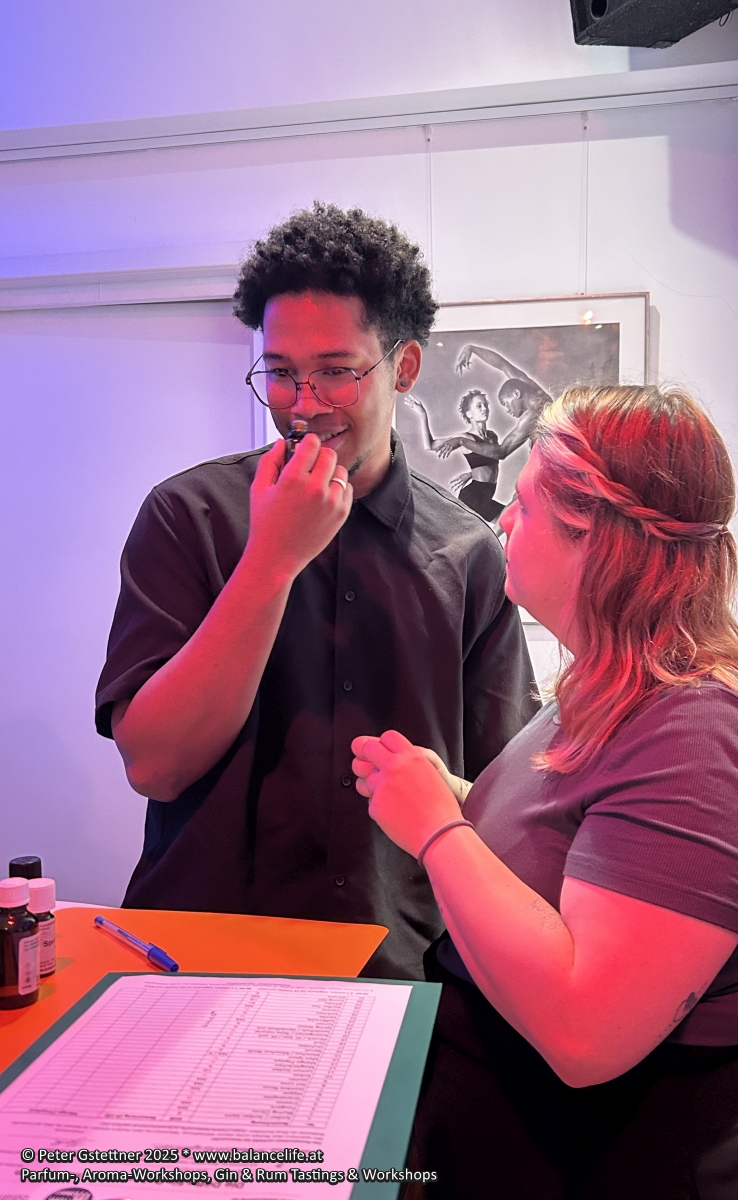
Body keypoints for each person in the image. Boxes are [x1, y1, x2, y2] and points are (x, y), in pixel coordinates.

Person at [352, 384, 738, 1197]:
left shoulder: (701, 733)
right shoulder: (613, 688)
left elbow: (587, 1032)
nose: (503, 524)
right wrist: (453, 794)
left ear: (594, 539)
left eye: (525, 506)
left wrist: (437, 831)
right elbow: (578, 848)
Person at [95, 202, 538, 980]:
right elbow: (155, 767)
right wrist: (271, 558)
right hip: (196, 957)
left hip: (397, 966)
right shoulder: (189, 517)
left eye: (336, 371)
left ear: (404, 368)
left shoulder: (468, 552)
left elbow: (504, 804)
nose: (302, 404)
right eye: (280, 372)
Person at [432, 344, 551, 464]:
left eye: (506, 404)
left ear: (516, 393)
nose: (507, 410)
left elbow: (502, 451)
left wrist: (461, 441)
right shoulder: (531, 389)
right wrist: (472, 349)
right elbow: (503, 365)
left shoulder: (532, 416)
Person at [405, 389, 506, 526]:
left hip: (486, 496)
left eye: (485, 405)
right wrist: (423, 415)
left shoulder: (492, 436)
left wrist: (470, 474)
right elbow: (430, 445)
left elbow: (490, 465)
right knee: (511, 520)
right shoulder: (464, 438)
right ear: (469, 414)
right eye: (479, 406)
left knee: (513, 520)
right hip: (474, 498)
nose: (484, 408)